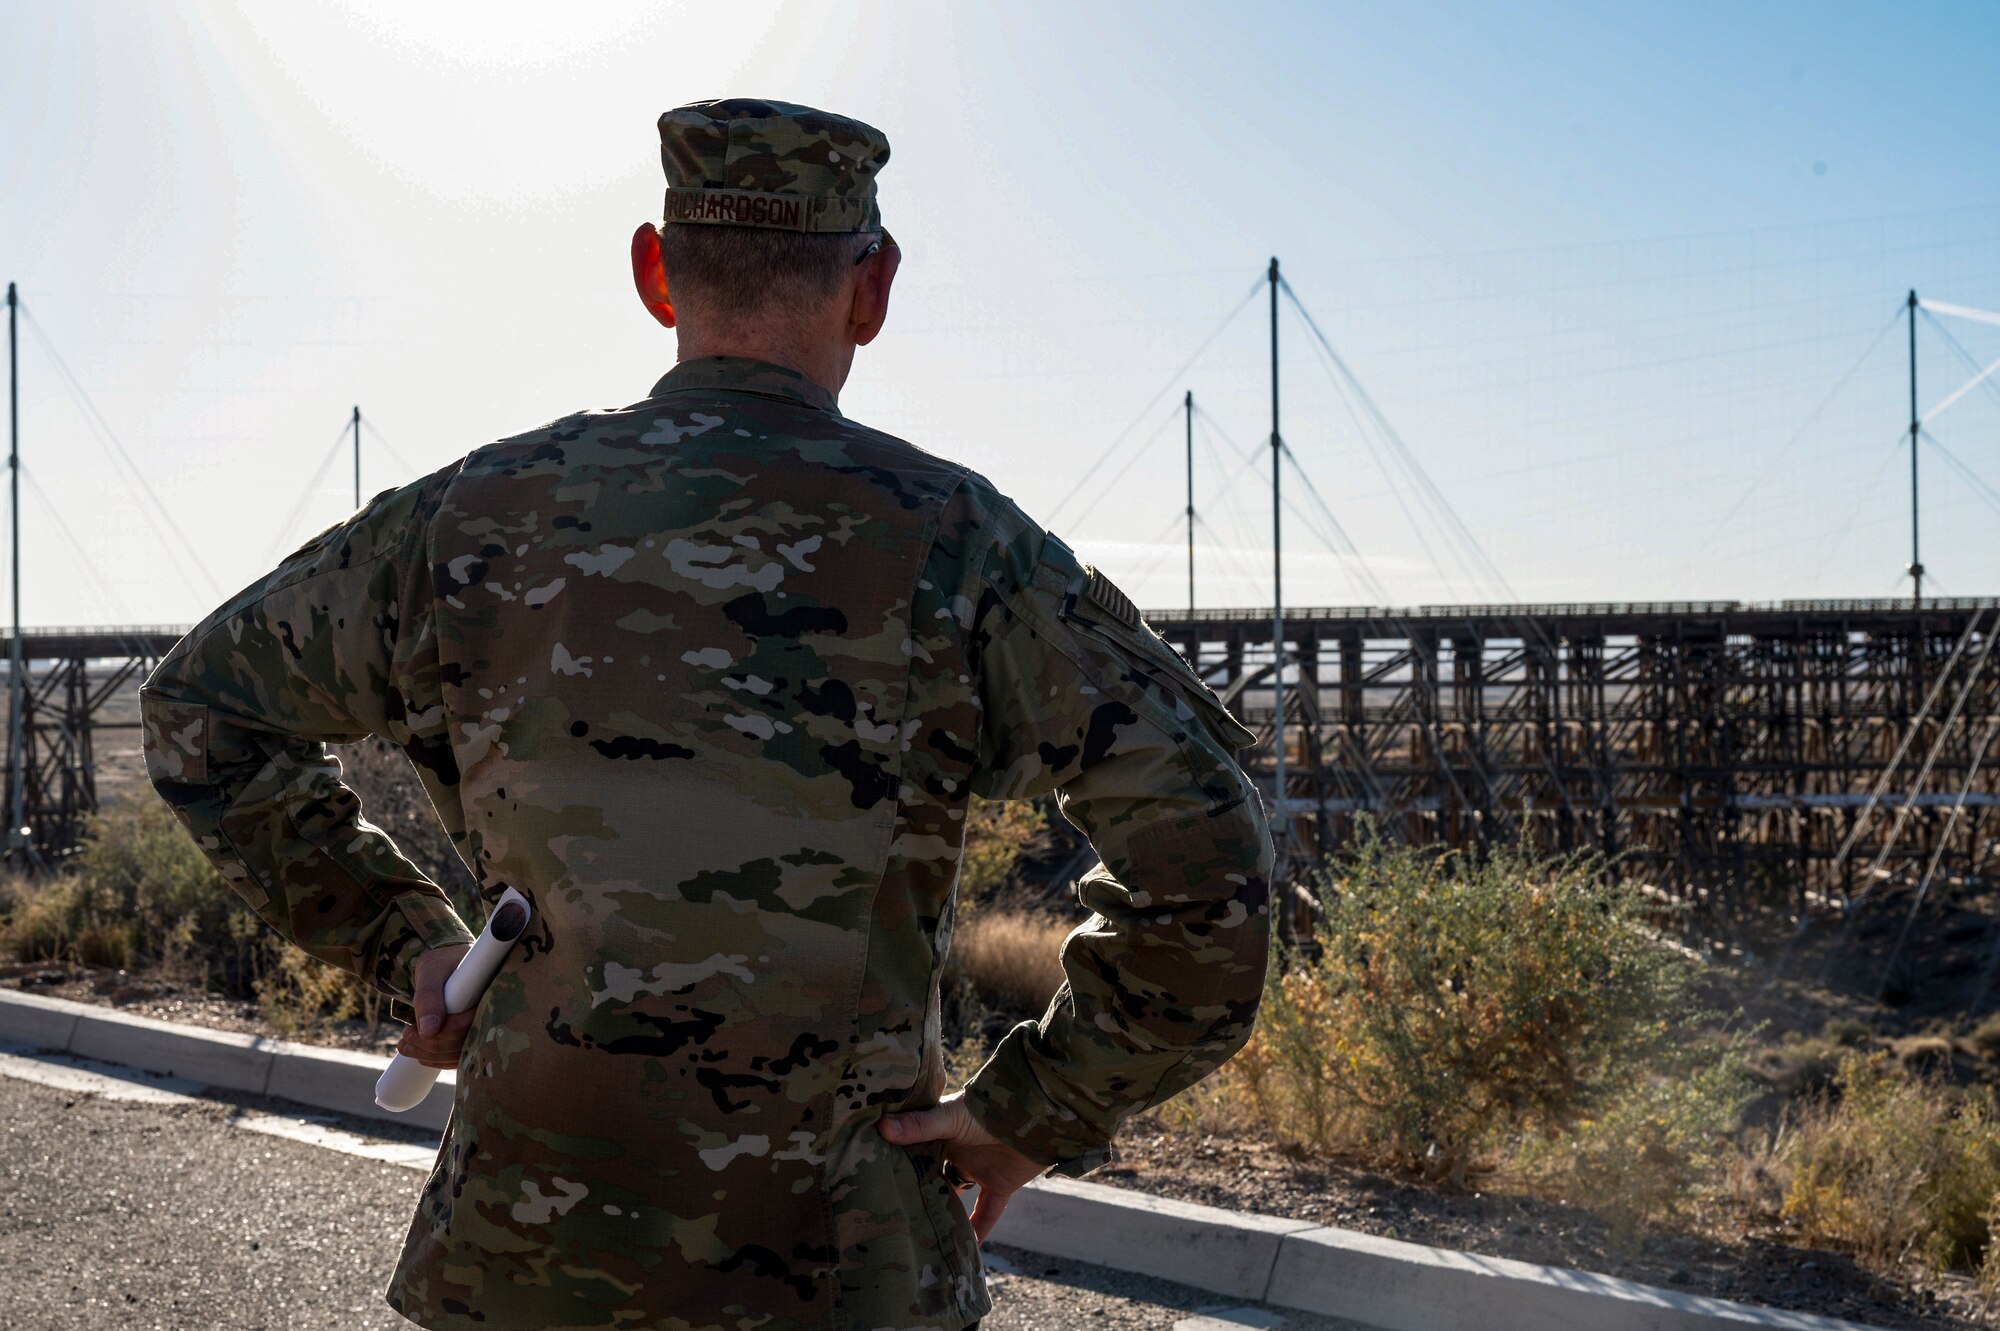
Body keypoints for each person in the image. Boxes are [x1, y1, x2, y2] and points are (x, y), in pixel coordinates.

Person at [140, 98, 1272, 1331]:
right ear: (871, 288)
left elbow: (203, 712)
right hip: (839, 1269)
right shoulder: (958, 544)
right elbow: (1209, 859)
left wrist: (406, 944)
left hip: (522, 1260)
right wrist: (1030, 1111)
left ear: (653, 273)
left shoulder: (465, 520)